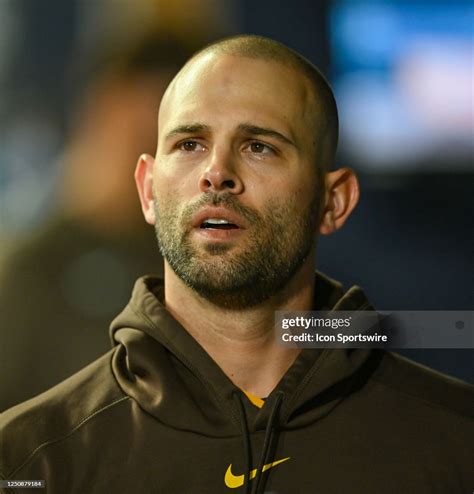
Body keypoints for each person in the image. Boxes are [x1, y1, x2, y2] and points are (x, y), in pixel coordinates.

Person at [1, 35, 473, 494]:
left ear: (334, 202)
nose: (217, 172)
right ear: (148, 190)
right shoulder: (28, 460)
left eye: (259, 146)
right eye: (190, 144)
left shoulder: (458, 445)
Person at [0, 33, 192, 411]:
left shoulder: (207, 262)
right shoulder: (32, 267)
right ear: (99, 112)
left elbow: (327, 334)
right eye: (138, 134)